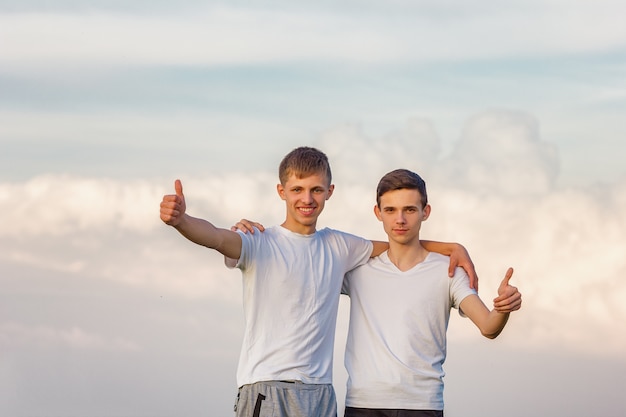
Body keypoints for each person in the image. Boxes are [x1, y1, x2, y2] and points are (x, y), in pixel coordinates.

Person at [160, 147, 477, 417]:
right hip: (267, 388)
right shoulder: (258, 241)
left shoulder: (341, 246)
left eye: (316, 190)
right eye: (297, 190)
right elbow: (215, 236)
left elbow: (400, 242)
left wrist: (451, 248)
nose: (307, 199)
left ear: (329, 192)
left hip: (322, 394)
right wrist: (181, 221)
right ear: (282, 191)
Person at [341, 169, 522, 417]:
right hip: (364, 404)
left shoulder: (447, 271)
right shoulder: (358, 270)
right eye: (391, 210)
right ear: (378, 213)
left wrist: (503, 308)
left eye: (410, 210)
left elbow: (489, 327)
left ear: (425, 212)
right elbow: (307, 265)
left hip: (423, 405)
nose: (400, 219)